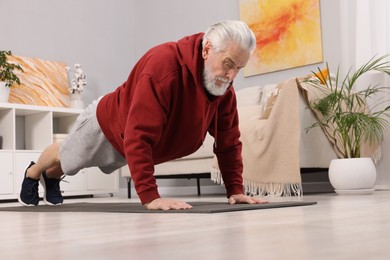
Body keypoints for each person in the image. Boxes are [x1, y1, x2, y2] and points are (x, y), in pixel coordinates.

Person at [18, 20, 267, 210]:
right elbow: (138, 133)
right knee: (66, 155)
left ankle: (50, 177)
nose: (232, 75)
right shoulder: (163, 67)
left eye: (239, 68)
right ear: (207, 50)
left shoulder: (222, 89)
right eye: (228, 63)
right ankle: (32, 173)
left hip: (131, 144)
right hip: (107, 125)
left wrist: (235, 190)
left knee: (68, 166)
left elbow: (229, 142)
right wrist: (150, 197)